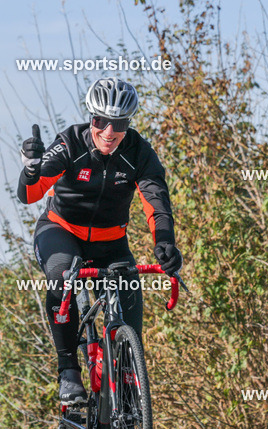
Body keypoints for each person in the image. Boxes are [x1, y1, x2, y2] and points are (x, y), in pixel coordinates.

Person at [16, 78, 182, 404]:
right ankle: (68, 370)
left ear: (128, 123)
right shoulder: (70, 143)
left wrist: (165, 243)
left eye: (118, 124)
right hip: (61, 231)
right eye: (100, 121)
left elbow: (157, 202)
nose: (108, 131)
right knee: (62, 276)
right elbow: (29, 194)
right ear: (91, 118)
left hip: (111, 243)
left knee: (130, 301)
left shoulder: (139, 152)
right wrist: (31, 170)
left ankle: (127, 396)